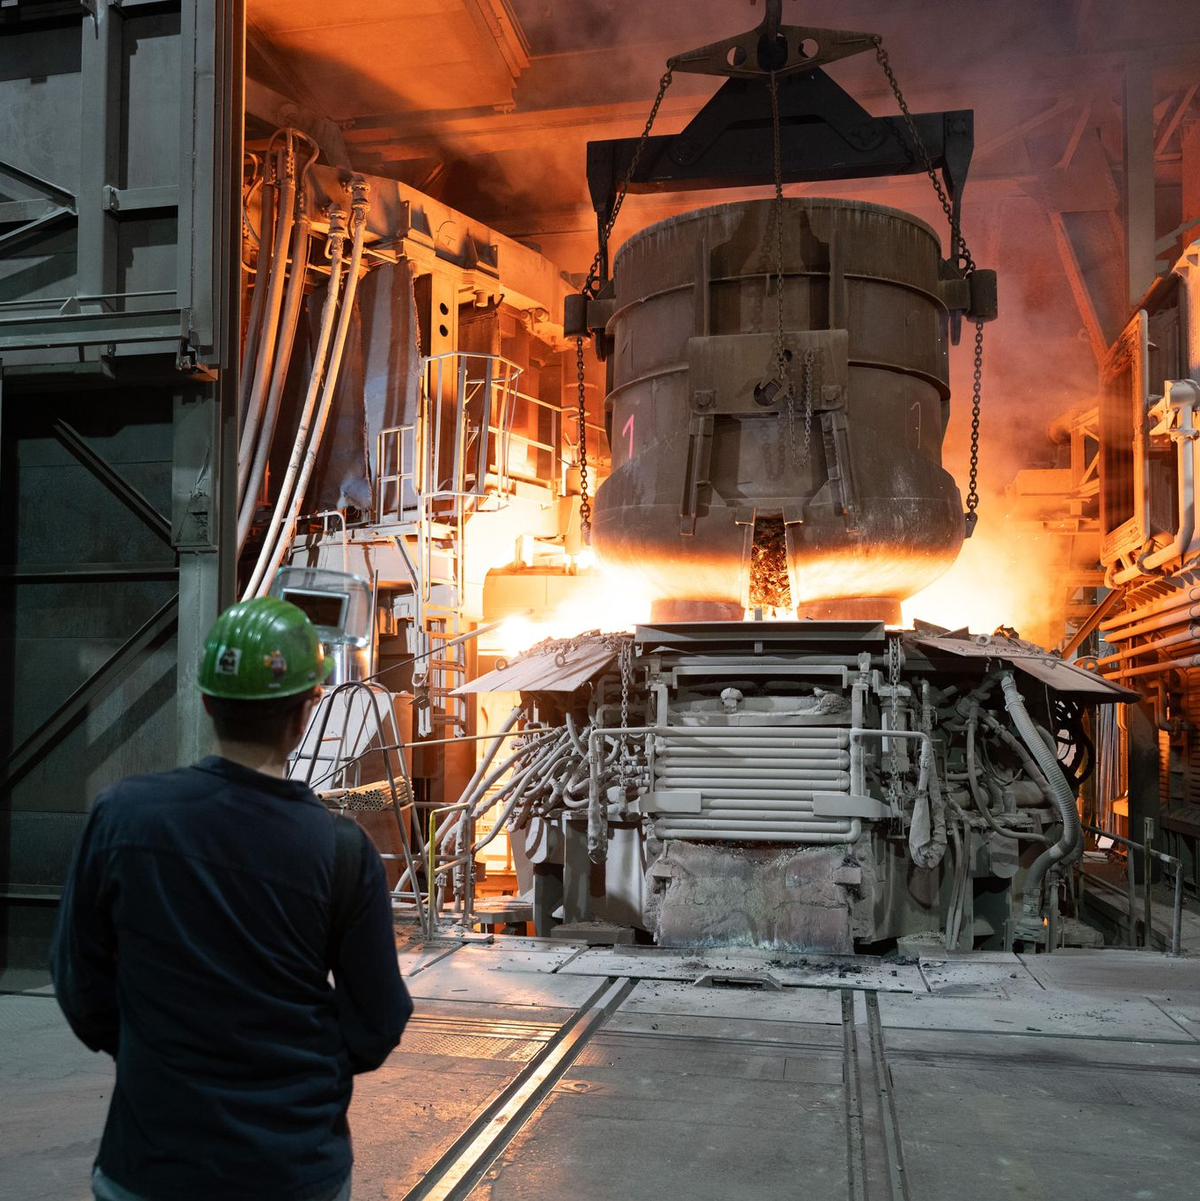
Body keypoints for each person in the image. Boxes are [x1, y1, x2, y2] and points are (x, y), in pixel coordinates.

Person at [51, 596, 412, 1201]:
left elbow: (77, 982)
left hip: (150, 1162)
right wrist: (300, 1072)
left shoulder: (123, 816)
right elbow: (378, 1020)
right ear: (307, 710)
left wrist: (151, 1051)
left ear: (206, 702)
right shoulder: (341, 849)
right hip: (292, 1167)